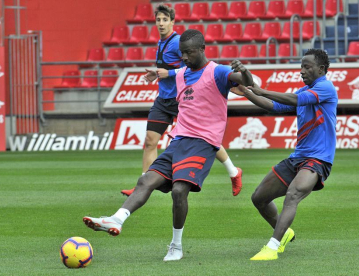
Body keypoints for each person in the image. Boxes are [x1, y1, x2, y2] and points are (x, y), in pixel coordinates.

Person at [84, 29, 254, 261]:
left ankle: (176, 246)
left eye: (189, 52)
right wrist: (158, 74)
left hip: (203, 144)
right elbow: (173, 71)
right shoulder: (182, 73)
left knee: (178, 190)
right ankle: (117, 219)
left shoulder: (218, 71)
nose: (184, 57)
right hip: (179, 141)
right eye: (182, 53)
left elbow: (245, 82)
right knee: (145, 180)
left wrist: (244, 72)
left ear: (202, 49)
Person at [120, 4, 243, 198]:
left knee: (203, 135)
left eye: (164, 20)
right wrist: (157, 75)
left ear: (172, 21)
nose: (161, 24)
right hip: (163, 99)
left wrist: (167, 73)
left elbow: (191, 67)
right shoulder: (161, 42)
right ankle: (141, 185)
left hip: (183, 98)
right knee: (150, 141)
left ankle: (233, 172)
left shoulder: (178, 42)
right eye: (158, 20)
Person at [232, 49, 337, 261]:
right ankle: (285, 232)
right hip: (298, 157)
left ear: (321, 69)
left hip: (318, 159)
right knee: (259, 198)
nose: (302, 71)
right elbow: (272, 106)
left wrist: (261, 90)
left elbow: (293, 100)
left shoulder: (325, 87)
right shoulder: (302, 92)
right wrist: (248, 93)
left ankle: (272, 247)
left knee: (293, 194)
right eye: (301, 66)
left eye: (307, 67)